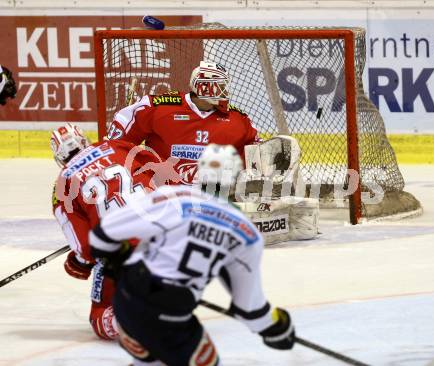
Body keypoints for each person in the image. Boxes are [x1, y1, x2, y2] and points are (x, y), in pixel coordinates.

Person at [88, 144, 295, 366]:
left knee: (150, 363)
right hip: (171, 316)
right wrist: (276, 326)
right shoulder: (246, 233)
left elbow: (101, 235)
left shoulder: (171, 197)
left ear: (201, 171)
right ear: (235, 178)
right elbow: (249, 309)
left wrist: (118, 258)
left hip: (126, 303)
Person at [51, 123, 156, 340]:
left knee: (99, 317)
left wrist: (79, 262)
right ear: (84, 140)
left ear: (59, 157)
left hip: (125, 252)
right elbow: (160, 171)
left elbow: (86, 248)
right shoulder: (116, 146)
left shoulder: (62, 185)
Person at [107, 60, 261, 185]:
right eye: (221, 87)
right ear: (204, 87)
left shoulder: (238, 120)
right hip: (161, 193)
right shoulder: (159, 107)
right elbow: (117, 141)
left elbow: (256, 155)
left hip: (213, 197)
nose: (225, 92)